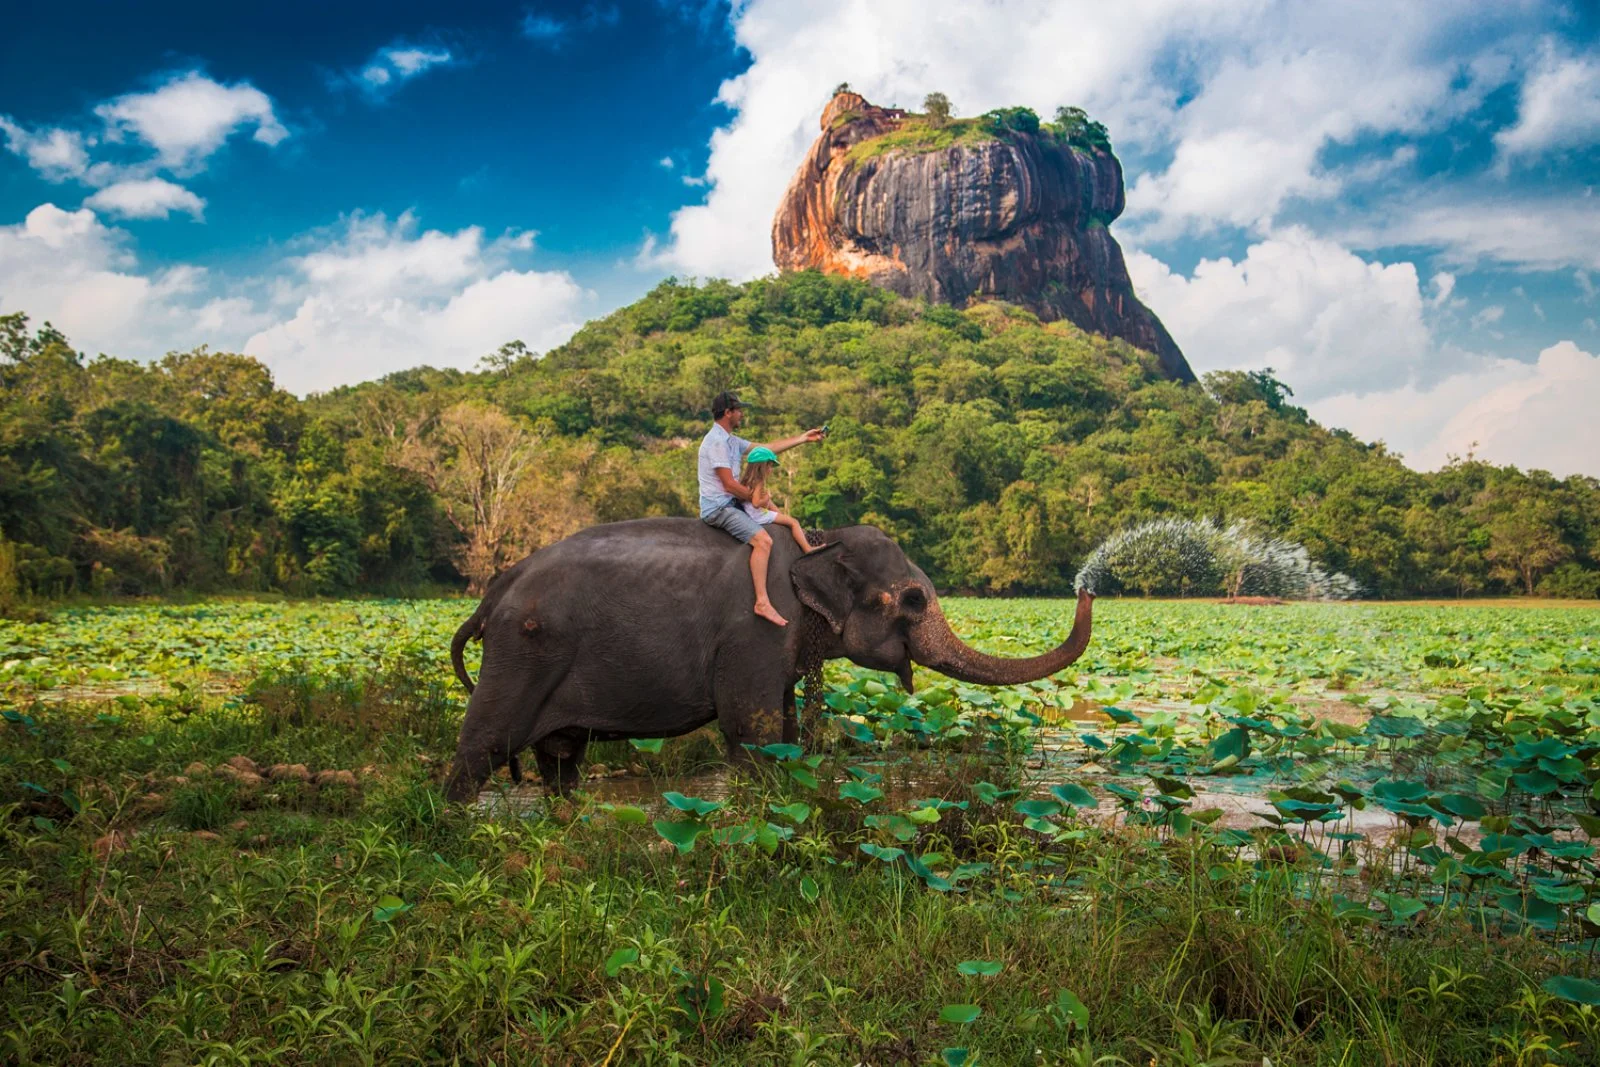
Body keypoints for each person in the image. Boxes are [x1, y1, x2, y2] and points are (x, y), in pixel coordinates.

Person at [698, 391, 824, 626]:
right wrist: (757, 501)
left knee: (779, 516)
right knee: (763, 541)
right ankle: (762, 601)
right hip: (720, 507)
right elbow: (728, 484)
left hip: (733, 502)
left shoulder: (732, 441)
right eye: (738, 411)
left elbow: (766, 448)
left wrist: (802, 439)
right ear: (728, 413)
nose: (742, 415)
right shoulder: (716, 443)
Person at [739, 446, 817, 557]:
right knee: (794, 522)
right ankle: (808, 548)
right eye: (770, 466)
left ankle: (795, 528)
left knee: (776, 510)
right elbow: (756, 503)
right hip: (758, 515)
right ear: (762, 466)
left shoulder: (746, 480)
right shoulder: (759, 481)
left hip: (749, 514)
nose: (771, 470)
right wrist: (766, 498)